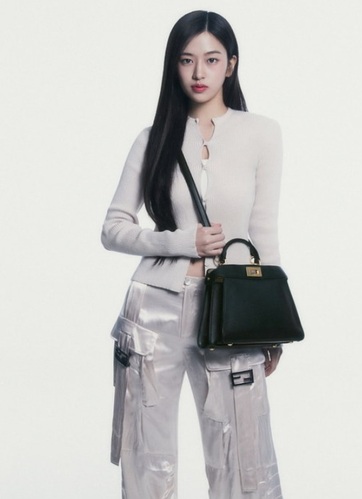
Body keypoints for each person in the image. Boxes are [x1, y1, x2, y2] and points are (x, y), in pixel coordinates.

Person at [102, 10, 284, 499]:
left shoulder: (262, 134)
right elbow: (113, 229)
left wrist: (270, 324)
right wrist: (183, 241)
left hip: (231, 313)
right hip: (154, 308)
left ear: (231, 64)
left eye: (211, 59)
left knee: (242, 457)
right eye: (186, 60)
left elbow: (263, 232)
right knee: (147, 455)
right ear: (174, 66)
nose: (199, 72)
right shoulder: (153, 139)